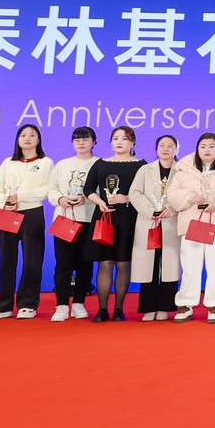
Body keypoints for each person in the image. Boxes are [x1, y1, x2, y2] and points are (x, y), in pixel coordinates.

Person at [167, 132, 215, 322]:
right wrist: (190, 197)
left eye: (211, 146)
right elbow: (172, 193)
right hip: (193, 222)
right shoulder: (184, 168)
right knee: (190, 265)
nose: (207, 150)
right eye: (203, 146)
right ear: (197, 148)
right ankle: (186, 303)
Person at [0, 125, 54, 320]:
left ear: (38, 140)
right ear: (17, 139)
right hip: (6, 212)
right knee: (6, 260)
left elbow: (47, 189)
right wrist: (3, 203)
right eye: (23, 135)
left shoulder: (45, 162)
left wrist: (21, 196)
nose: (27, 138)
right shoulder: (8, 162)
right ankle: (3, 305)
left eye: (32, 135)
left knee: (32, 259)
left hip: (32, 212)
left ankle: (28, 304)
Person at [85, 126, 145, 322]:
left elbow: (146, 192)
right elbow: (88, 189)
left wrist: (128, 198)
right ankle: (102, 309)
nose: (119, 142)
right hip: (104, 216)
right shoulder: (100, 163)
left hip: (128, 218)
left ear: (133, 142)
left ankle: (119, 309)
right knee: (105, 263)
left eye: (125, 138)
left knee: (122, 263)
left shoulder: (141, 165)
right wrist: (100, 202)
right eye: (116, 138)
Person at [48, 127, 99, 322]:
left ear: (94, 142)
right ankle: (61, 305)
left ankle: (79, 303)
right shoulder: (62, 164)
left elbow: (103, 191)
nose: (81, 143)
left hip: (88, 219)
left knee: (85, 263)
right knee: (63, 264)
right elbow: (52, 189)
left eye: (85, 139)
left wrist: (86, 198)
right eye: (77, 139)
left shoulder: (99, 164)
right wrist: (60, 199)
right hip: (65, 219)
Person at [128, 135, 181, 322]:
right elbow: (134, 193)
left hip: (171, 222)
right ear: (156, 149)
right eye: (162, 146)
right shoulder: (145, 169)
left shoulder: (182, 171)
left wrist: (170, 209)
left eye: (170, 146)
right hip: (148, 221)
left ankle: (165, 307)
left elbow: (185, 194)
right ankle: (148, 307)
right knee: (149, 265)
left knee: (169, 266)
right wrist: (149, 210)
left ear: (176, 149)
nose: (165, 149)